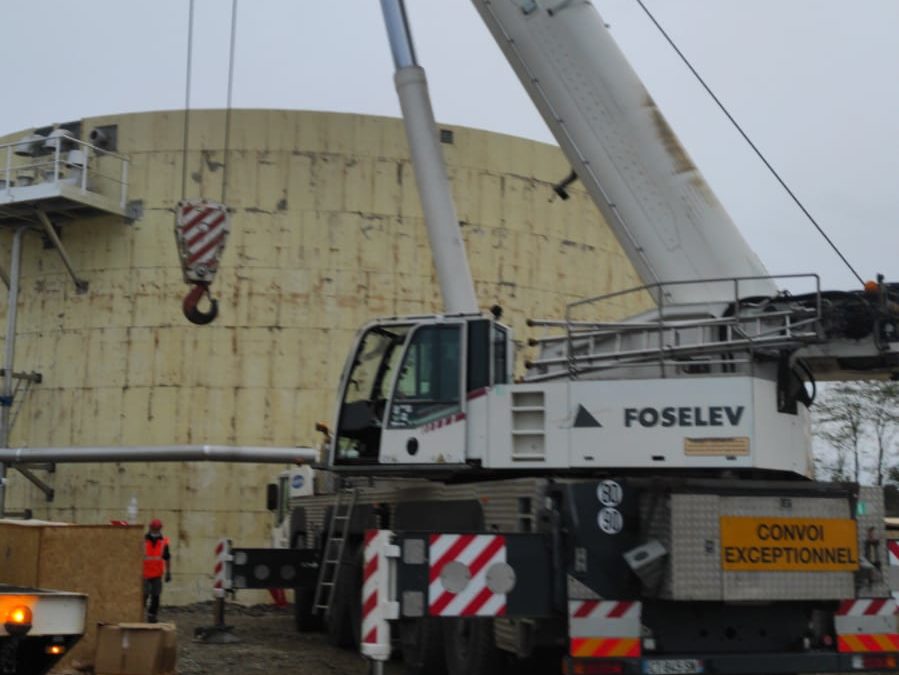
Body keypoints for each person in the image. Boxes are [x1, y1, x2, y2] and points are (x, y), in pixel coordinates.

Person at [143, 518, 172, 623]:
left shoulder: (163, 542)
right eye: (153, 529)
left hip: (157, 574)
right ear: (150, 528)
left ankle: (152, 615)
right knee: (143, 595)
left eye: (157, 529)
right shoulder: (143, 541)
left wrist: (168, 572)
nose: (155, 531)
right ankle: (138, 614)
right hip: (144, 574)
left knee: (156, 596)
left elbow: (167, 557)